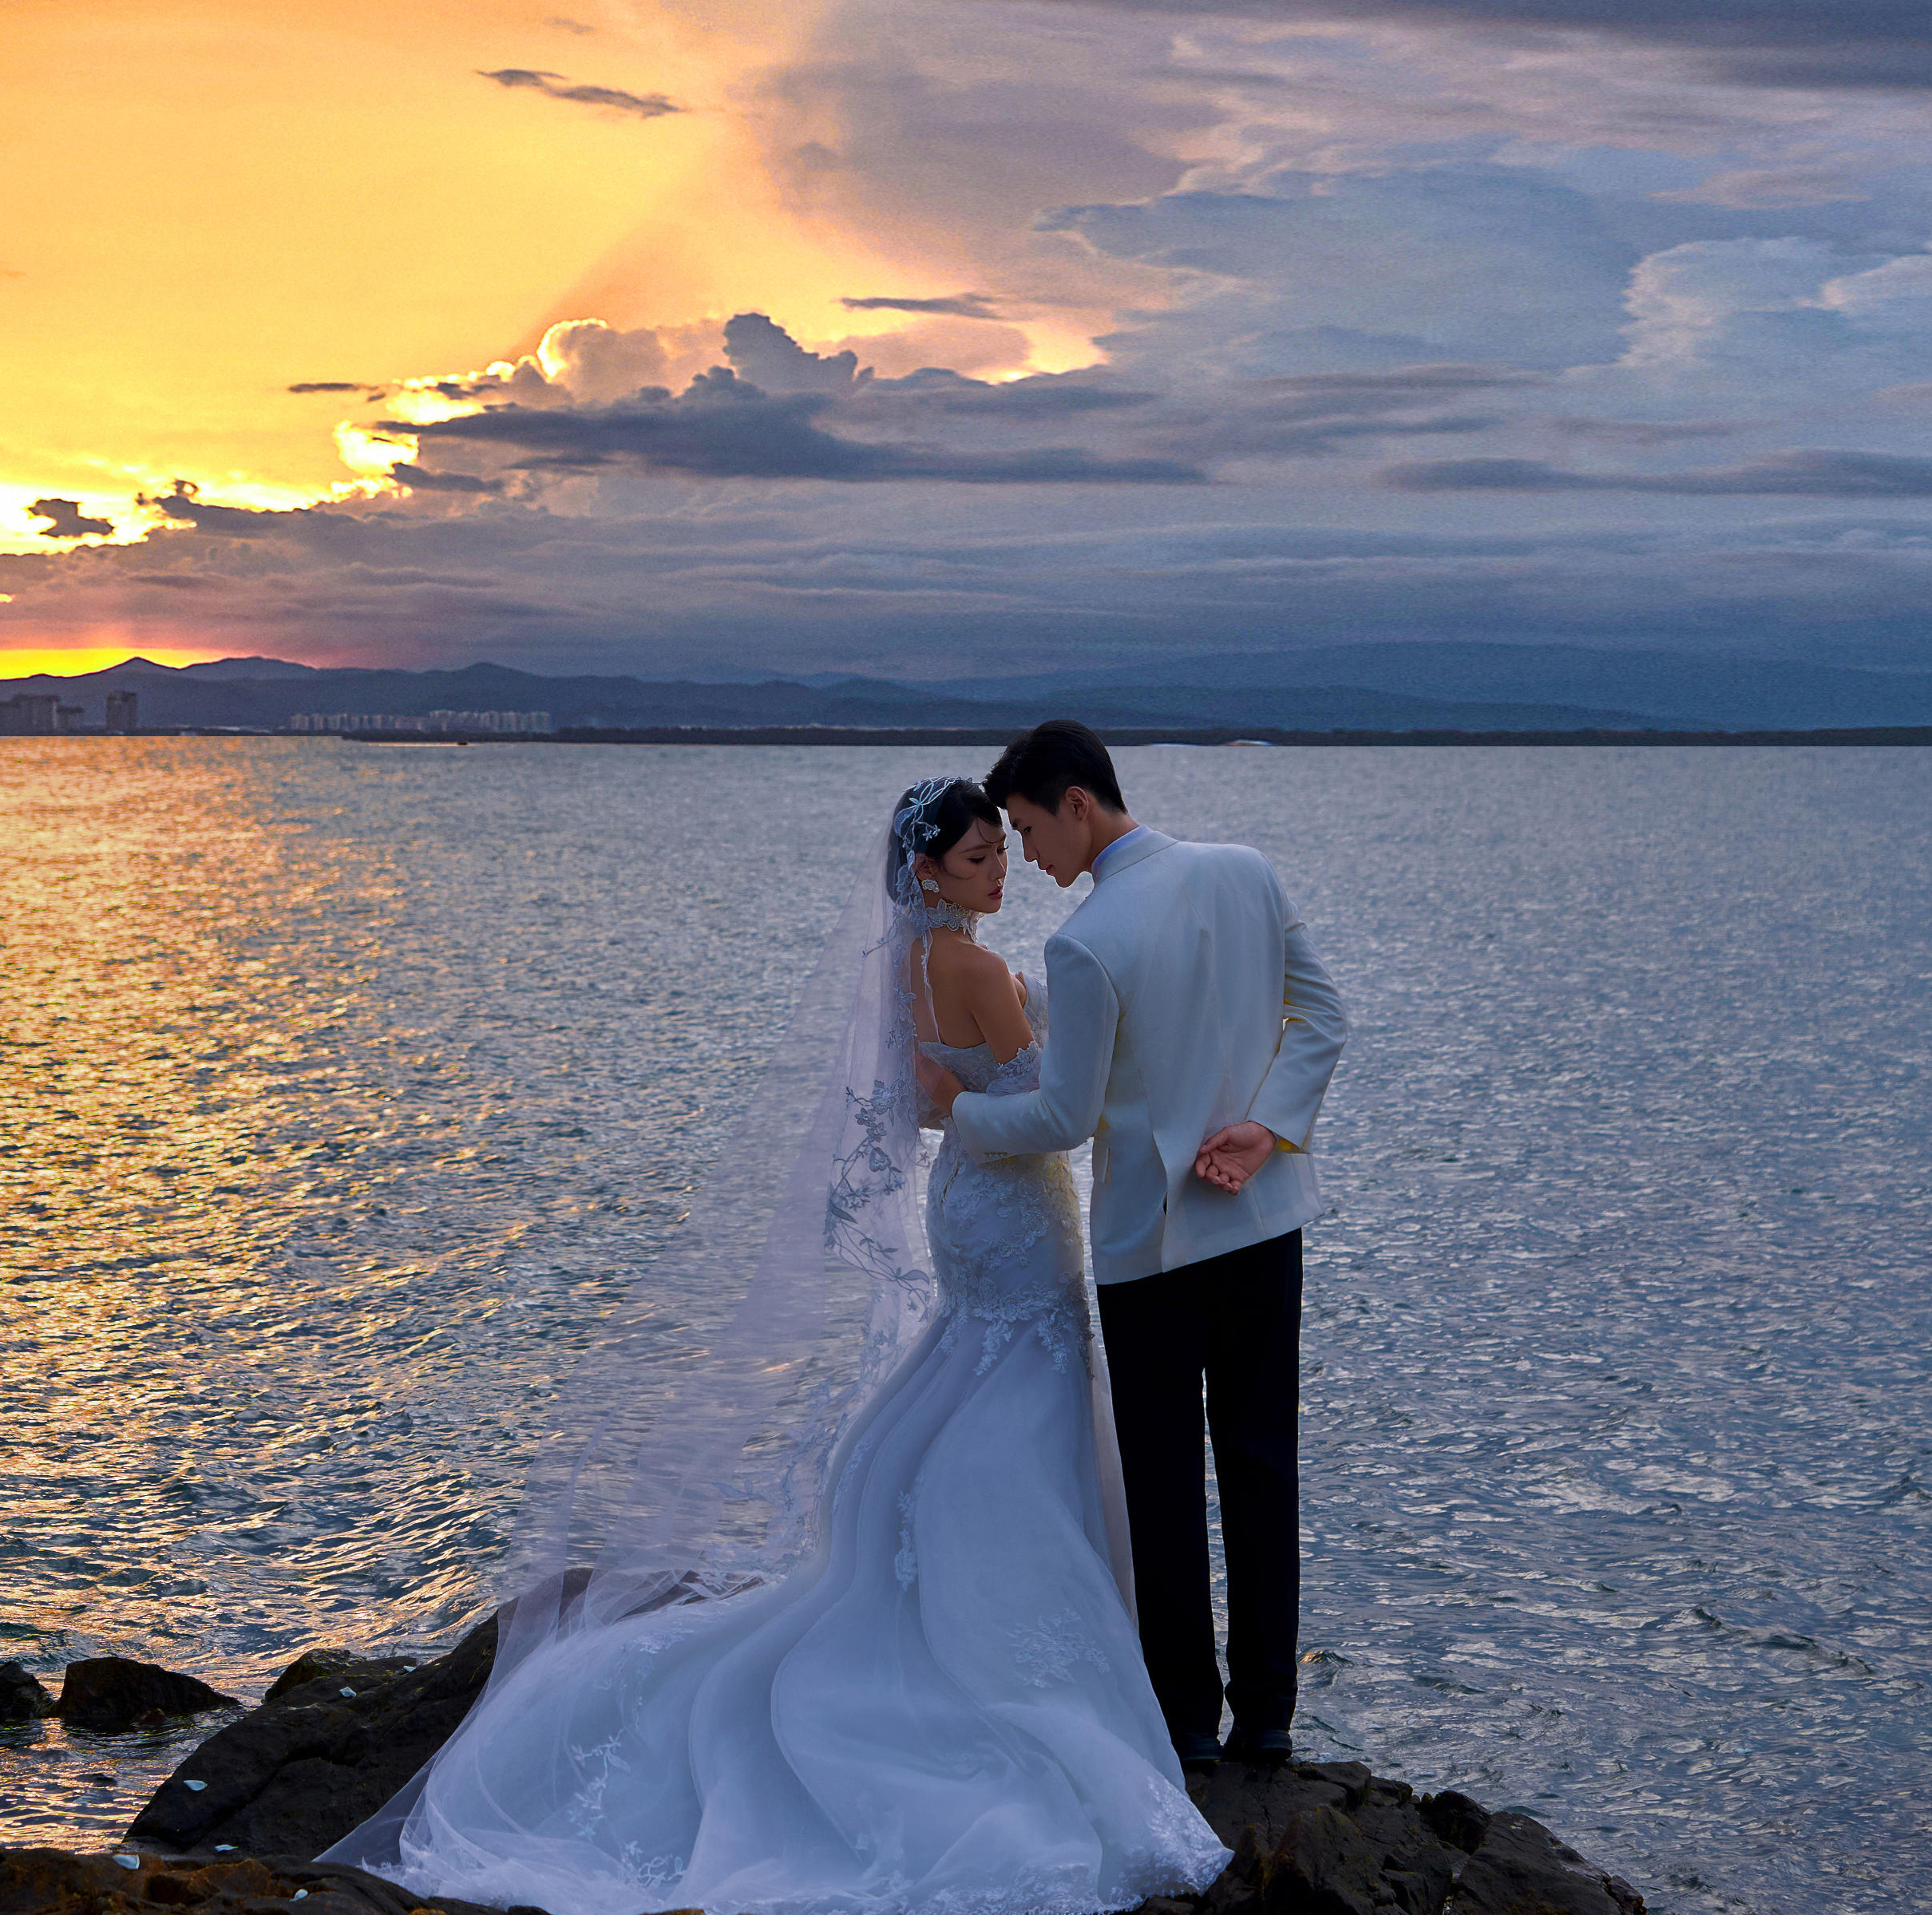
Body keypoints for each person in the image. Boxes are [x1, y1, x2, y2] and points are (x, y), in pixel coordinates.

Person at [321, 774, 1229, 1915]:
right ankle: (1008, 1630)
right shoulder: (980, 970)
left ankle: (943, 1574)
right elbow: (1053, 1104)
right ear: (930, 871)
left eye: (1006, 851)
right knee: (1026, 1385)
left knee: (973, 1371)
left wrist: (1015, 1039)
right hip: (1014, 1208)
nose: (1001, 872)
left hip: (969, 1203)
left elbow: (932, 1098)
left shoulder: (907, 966)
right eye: (981, 858)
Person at [916, 721, 1347, 1771]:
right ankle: (1271, 1721)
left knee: (1163, 1490)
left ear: (1076, 801)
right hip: (1263, 1222)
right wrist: (1270, 1125)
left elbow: (1063, 1117)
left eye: (1027, 829)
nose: (1028, 856)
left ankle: (1189, 1728)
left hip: (1151, 1252)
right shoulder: (1244, 873)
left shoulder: (1089, 937)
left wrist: (960, 1116)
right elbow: (1322, 1018)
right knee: (1261, 1467)